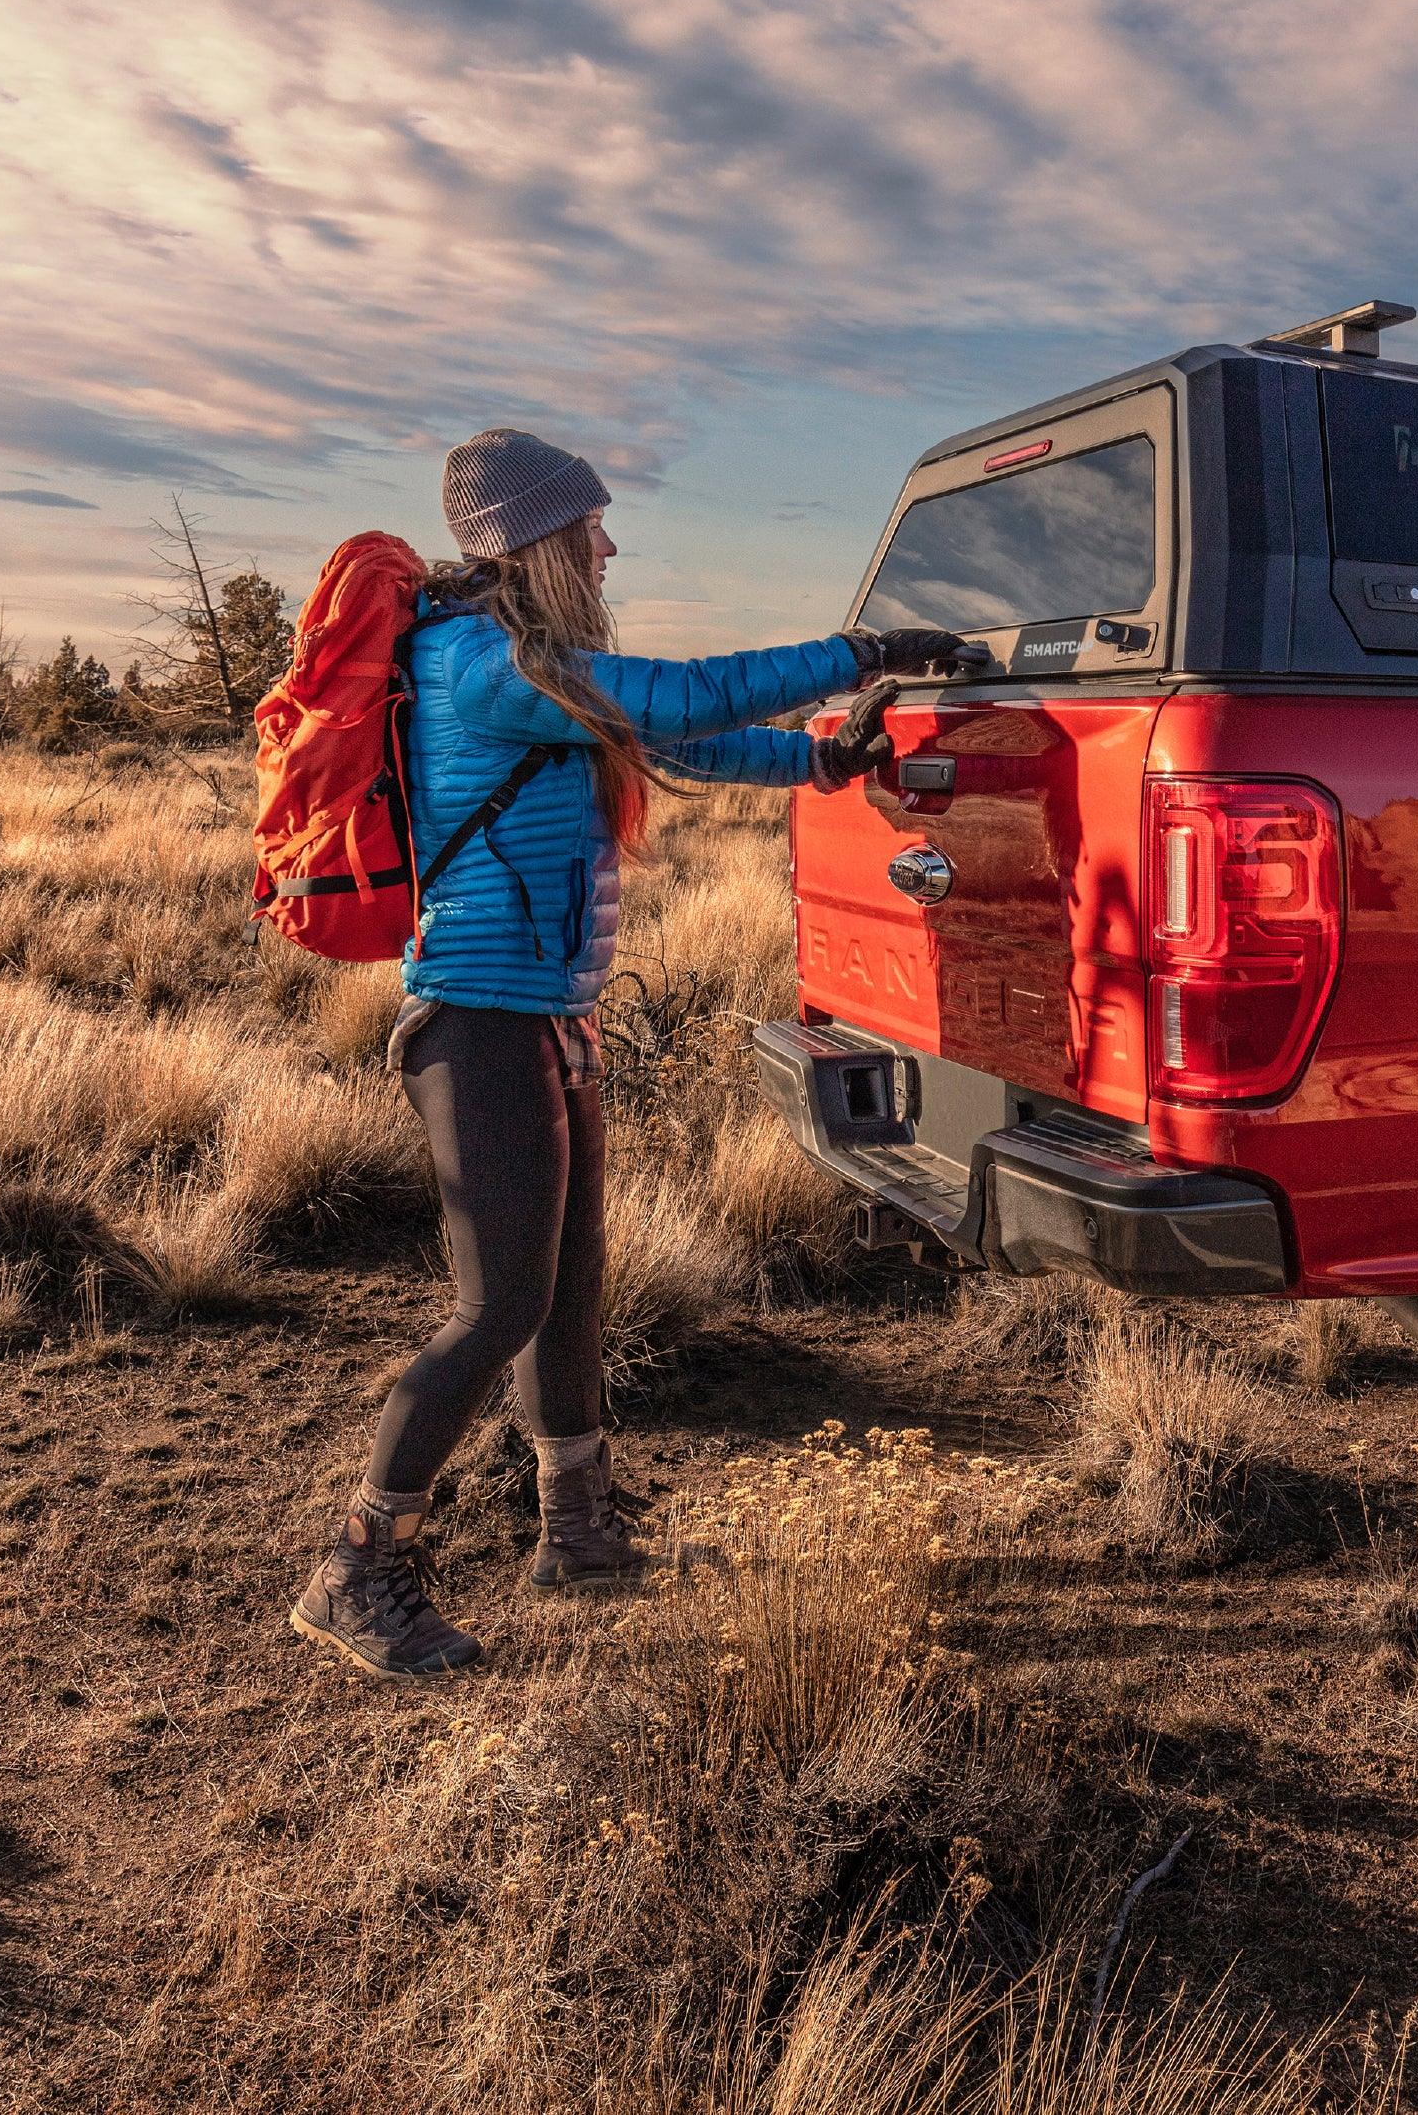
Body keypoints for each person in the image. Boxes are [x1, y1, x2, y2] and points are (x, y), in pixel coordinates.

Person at [290, 428, 965, 1683]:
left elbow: (682, 742)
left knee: (569, 1286)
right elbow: (681, 700)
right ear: (535, 539)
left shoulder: (541, 667)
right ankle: (355, 1567)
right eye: (589, 523)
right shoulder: (480, 667)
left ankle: (580, 1532)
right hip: (478, 1023)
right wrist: (856, 653)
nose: (608, 541)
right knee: (496, 1306)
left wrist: (824, 756)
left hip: (548, 1017)